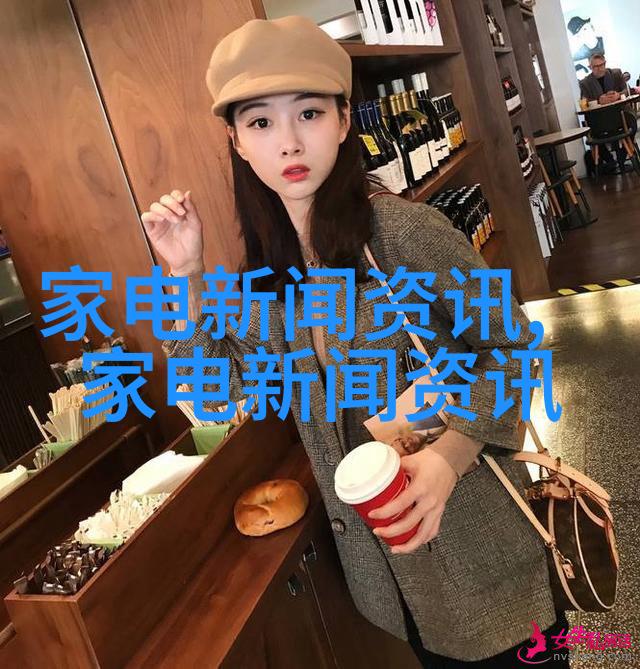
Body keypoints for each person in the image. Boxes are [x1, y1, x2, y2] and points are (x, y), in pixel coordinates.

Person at [141, 16, 569, 667]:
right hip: (391, 585)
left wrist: (447, 458)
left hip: (486, 561)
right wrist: (186, 273)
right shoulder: (267, 279)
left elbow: (513, 346)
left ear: (344, 121)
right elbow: (214, 392)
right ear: (237, 141)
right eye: (260, 122)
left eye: (309, 113)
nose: (289, 141)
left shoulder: (403, 233)